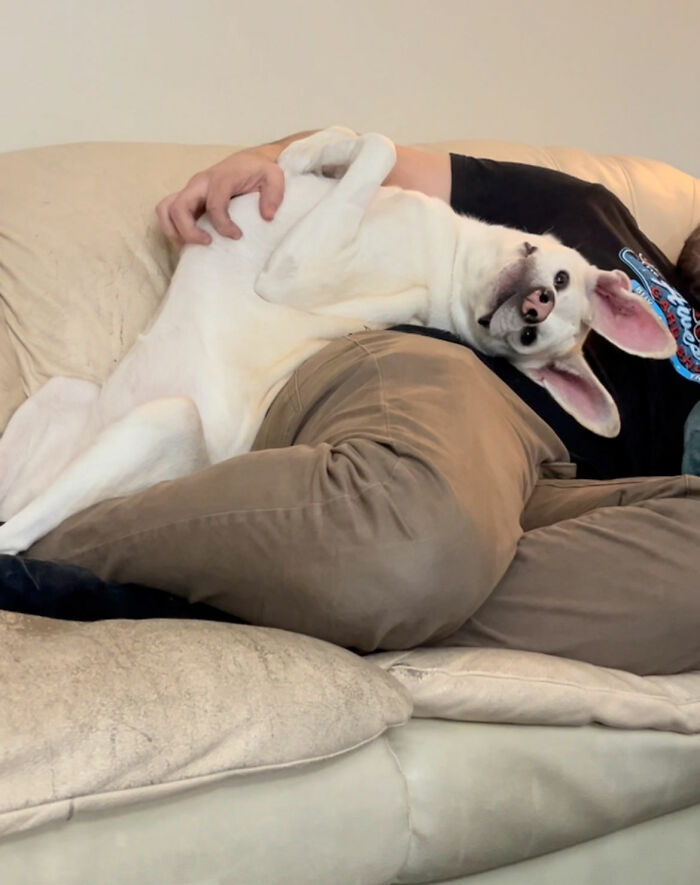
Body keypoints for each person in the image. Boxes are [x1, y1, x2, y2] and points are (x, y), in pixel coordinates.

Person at [29, 131, 700, 676]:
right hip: (443, 388)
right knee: (421, 531)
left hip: (557, 500)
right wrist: (264, 159)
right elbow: (375, 159)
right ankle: (55, 546)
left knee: (433, 551)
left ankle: (304, 583)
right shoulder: (592, 211)